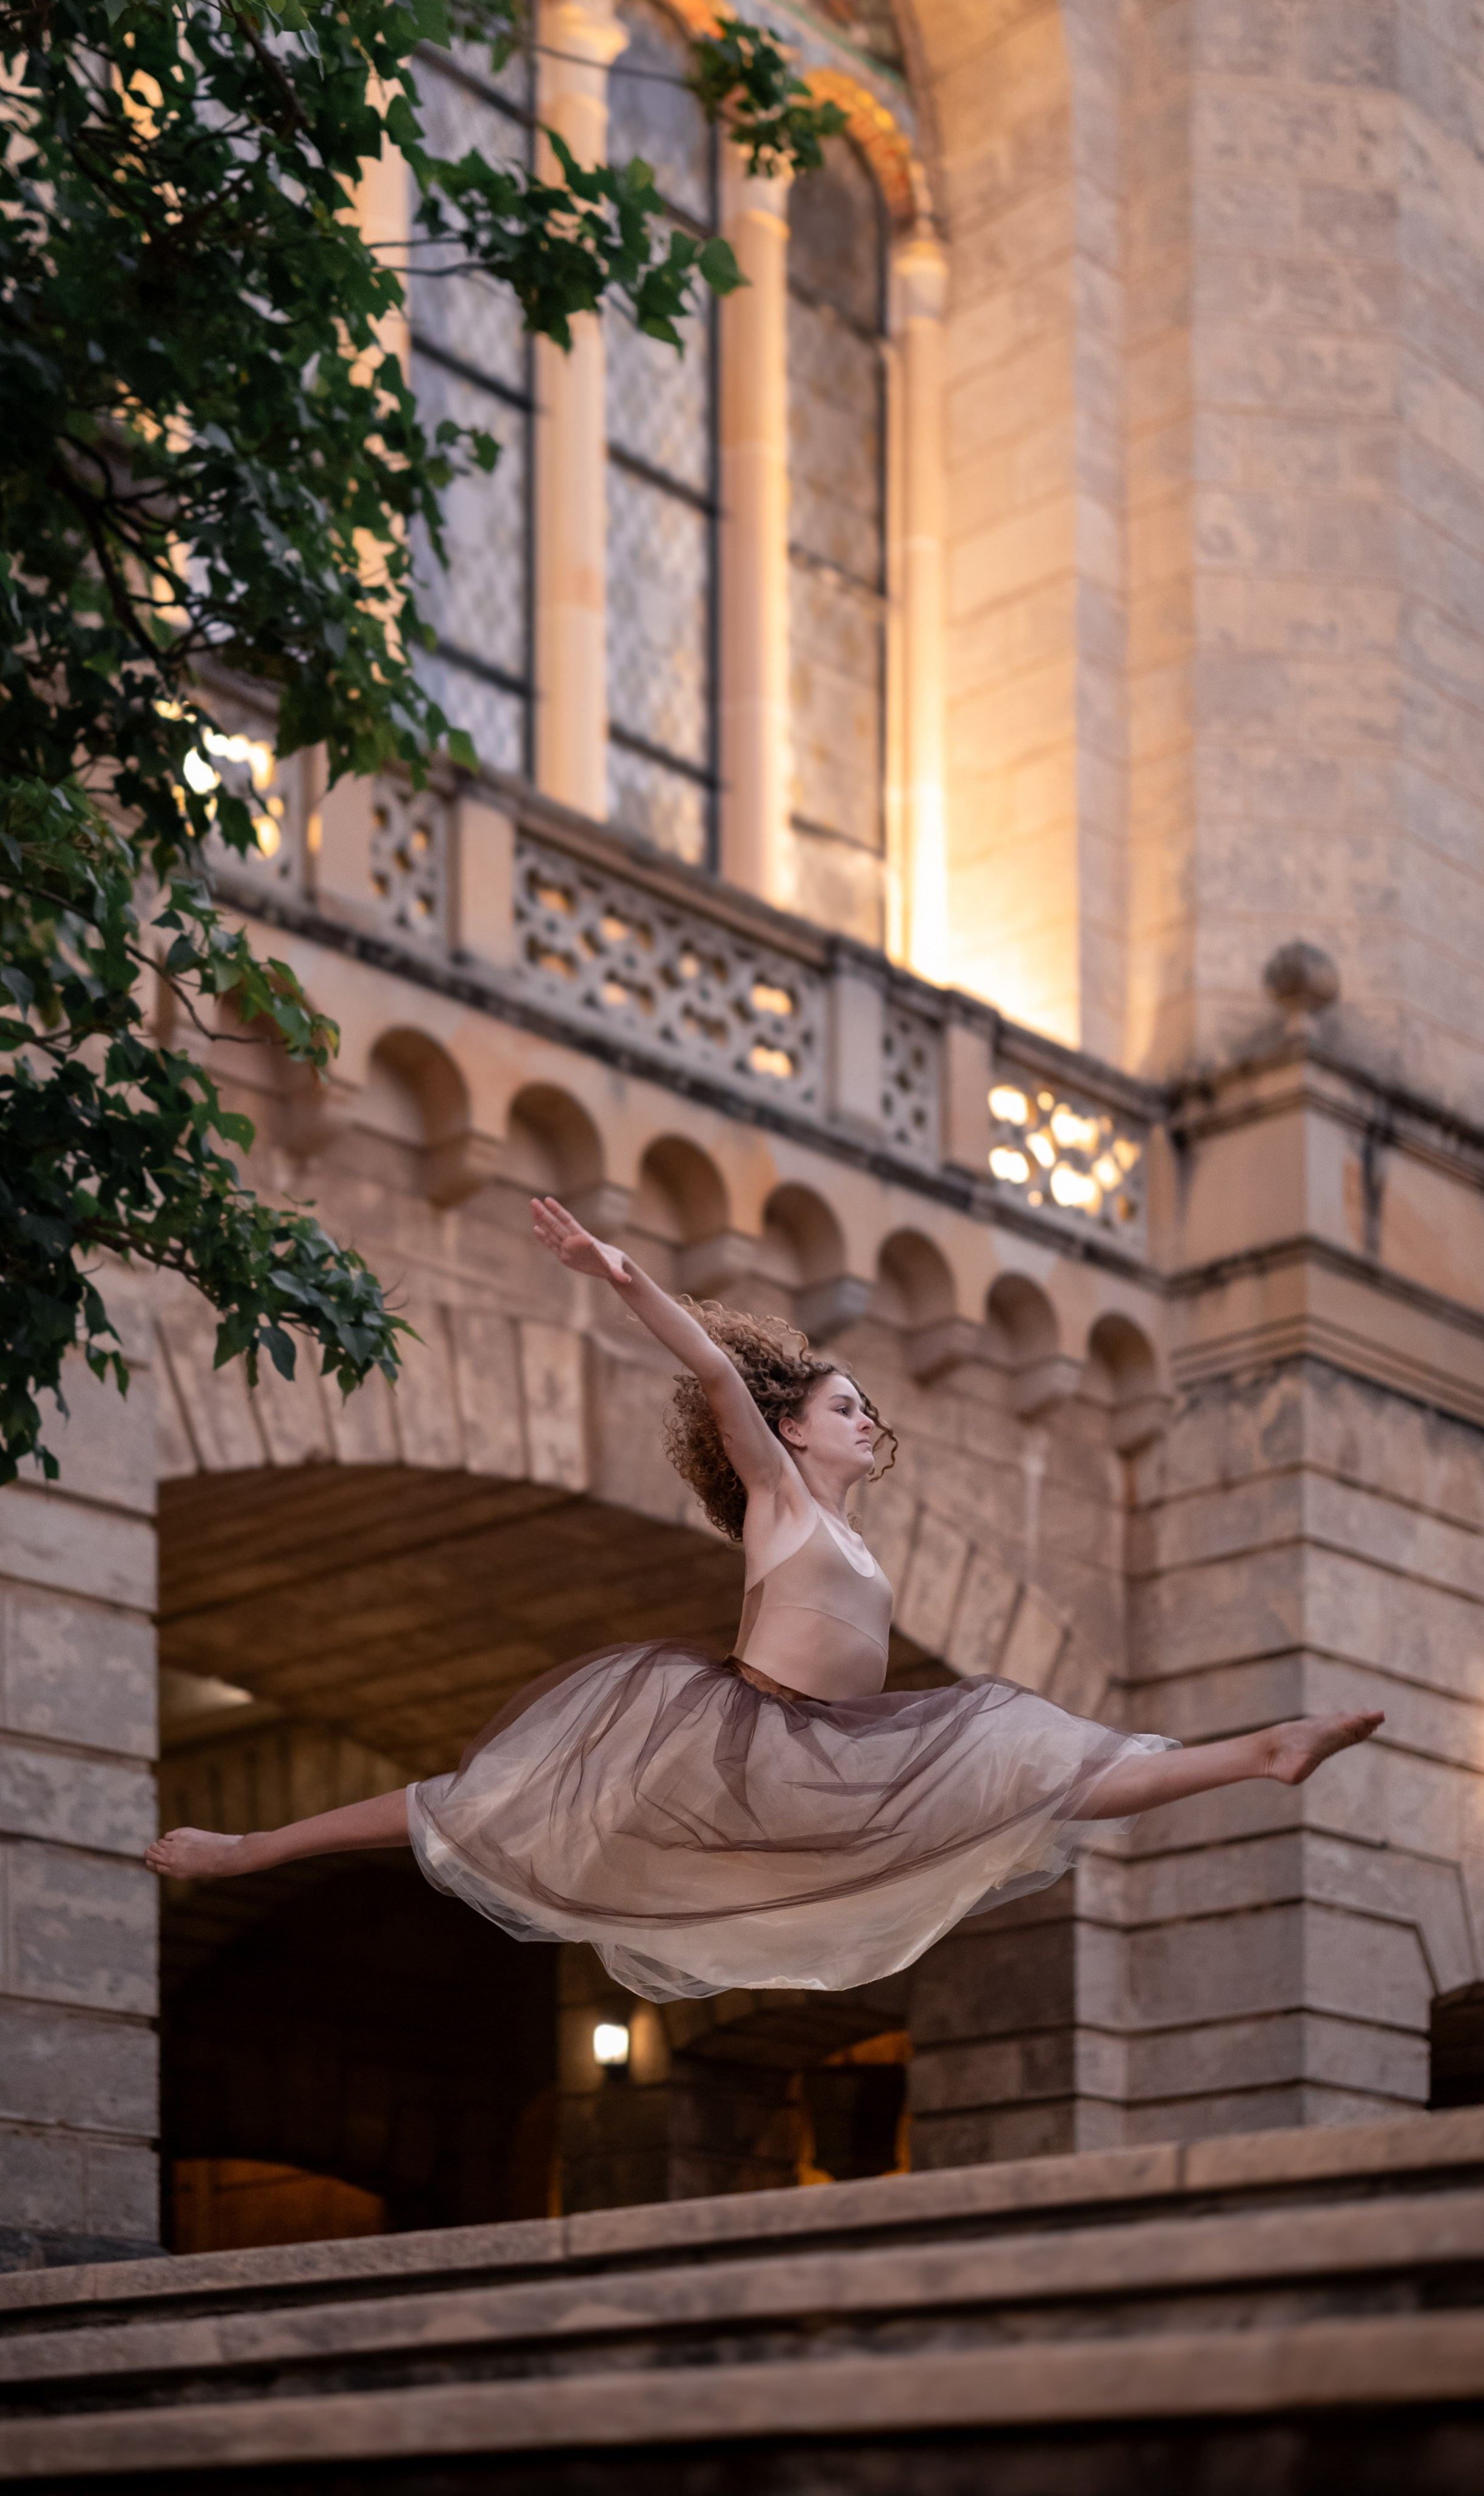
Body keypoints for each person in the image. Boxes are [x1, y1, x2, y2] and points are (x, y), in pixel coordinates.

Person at [147, 1197, 1383, 2001]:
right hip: (750, 1740)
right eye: (845, 1405)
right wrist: (618, 1271)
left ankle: (1261, 1753)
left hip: (840, 1756)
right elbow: (710, 1369)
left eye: (865, 1408)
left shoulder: (848, 1532)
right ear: (793, 1428)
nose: (867, 1418)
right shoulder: (781, 1497)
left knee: (1037, 1762)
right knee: (477, 1803)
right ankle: (250, 1846)